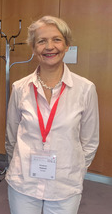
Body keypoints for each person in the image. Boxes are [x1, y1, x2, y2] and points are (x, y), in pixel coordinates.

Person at [5, 15, 99, 214]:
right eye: (41, 41)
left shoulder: (85, 89)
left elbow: (90, 141)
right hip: (24, 183)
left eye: (56, 39)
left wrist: (75, 171)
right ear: (33, 48)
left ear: (66, 46)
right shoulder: (20, 88)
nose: (50, 47)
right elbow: (11, 137)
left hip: (65, 185)